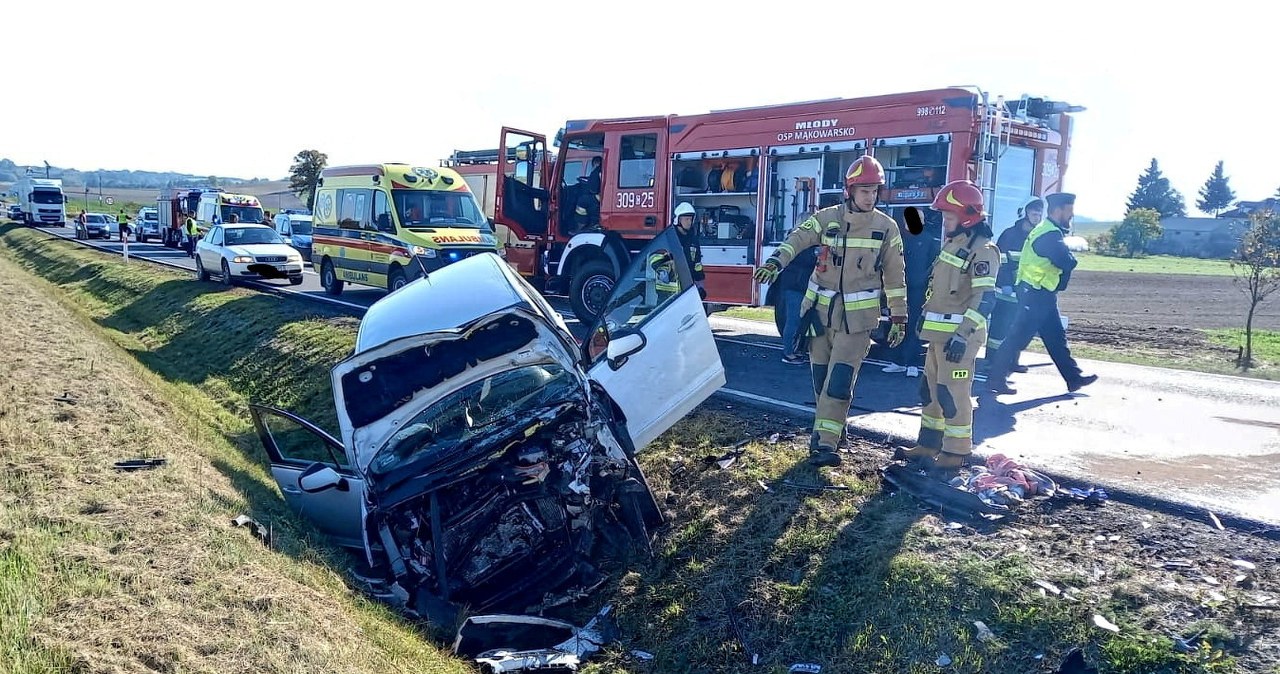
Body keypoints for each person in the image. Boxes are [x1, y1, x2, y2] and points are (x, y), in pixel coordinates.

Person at [753, 155, 908, 467]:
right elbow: (797, 238)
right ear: (850, 191)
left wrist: (898, 316)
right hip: (819, 317)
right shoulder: (827, 218)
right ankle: (831, 432)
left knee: (838, 382)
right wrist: (776, 261)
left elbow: (895, 275)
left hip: (858, 323)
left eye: (875, 191)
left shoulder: (886, 228)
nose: (871, 197)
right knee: (821, 380)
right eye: (865, 191)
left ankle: (825, 445)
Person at [897, 180, 1000, 471]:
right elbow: (938, 289)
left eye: (949, 216)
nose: (944, 222)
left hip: (959, 341)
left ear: (968, 215)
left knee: (953, 394)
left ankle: (955, 453)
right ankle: (928, 446)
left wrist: (962, 336)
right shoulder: (953, 244)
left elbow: (985, 299)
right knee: (930, 393)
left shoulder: (984, 251)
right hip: (937, 337)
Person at [984, 193, 1098, 395]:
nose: (1071, 215)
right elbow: (1066, 261)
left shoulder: (1050, 230)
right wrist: (1073, 258)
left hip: (1042, 292)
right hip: (1034, 293)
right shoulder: (1049, 234)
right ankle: (996, 378)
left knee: (1055, 337)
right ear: (1058, 210)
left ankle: (1073, 378)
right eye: (1069, 210)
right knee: (1017, 337)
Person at [983, 196, 1044, 374]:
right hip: (1006, 291)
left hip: (1026, 291)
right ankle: (991, 362)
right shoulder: (1010, 235)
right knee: (999, 327)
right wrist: (1007, 285)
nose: (1037, 217)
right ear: (1024, 213)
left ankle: (1012, 362)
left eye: (1039, 214)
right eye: (1034, 213)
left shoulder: (1037, 236)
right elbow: (1000, 262)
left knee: (1018, 327)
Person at [778, 244, 818, 365]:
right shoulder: (799, 247)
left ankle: (794, 350)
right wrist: (816, 253)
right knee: (793, 320)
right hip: (796, 287)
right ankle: (788, 353)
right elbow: (804, 259)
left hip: (797, 287)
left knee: (798, 321)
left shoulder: (799, 244)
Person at [672, 202, 706, 300]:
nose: (689, 222)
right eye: (686, 219)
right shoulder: (670, 238)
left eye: (690, 219)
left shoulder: (693, 241)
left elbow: (697, 264)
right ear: (677, 220)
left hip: (687, 288)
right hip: (669, 291)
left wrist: (700, 287)